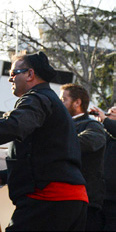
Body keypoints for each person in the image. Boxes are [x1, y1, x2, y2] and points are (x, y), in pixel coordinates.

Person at [0, 52, 88, 231]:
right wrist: (5, 176)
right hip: (71, 198)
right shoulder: (51, 103)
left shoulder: (37, 98)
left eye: (14, 73)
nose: (10, 79)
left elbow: (14, 124)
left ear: (30, 74)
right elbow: (43, 156)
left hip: (49, 198)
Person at [60, 83, 106, 231]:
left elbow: (91, 141)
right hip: (62, 200)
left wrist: (55, 143)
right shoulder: (61, 126)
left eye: (63, 100)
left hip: (85, 201)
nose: (59, 105)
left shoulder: (91, 126)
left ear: (77, 102)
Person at [89, 104, 116, 231]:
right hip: (98, 197)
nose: (112, 110)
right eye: (111, 109)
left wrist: (106, 120)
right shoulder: (103, 134)